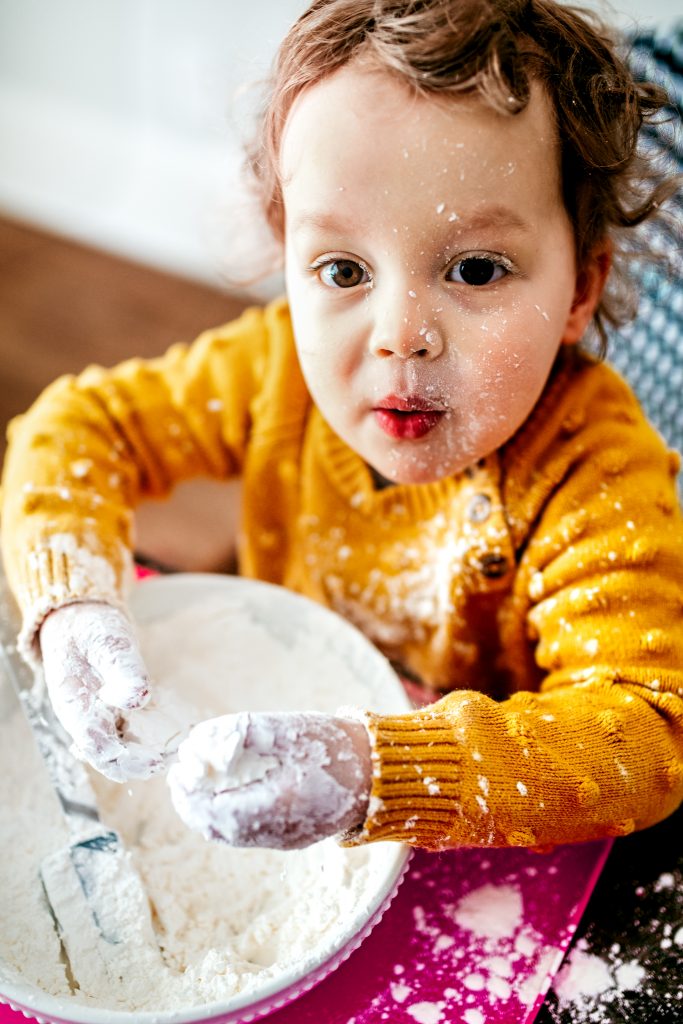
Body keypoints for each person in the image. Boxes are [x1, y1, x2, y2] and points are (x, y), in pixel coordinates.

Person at [2, 0, 682, 853]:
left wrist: (381, 768)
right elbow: (75, 427)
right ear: (287, 258)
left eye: (473, 269)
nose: (400, 331)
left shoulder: (595, 467)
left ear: (578, 291)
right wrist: (71, 601)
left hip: (479, 827)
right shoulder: (272, 370)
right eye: (343, 268)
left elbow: (638, 739)